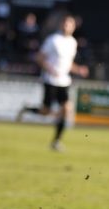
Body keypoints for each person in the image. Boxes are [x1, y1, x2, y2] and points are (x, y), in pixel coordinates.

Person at [16, 13, 89, 151]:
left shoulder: (73, 42)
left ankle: (56, 142)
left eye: (70, 24)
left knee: (67, 109)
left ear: (74, 27)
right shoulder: (53, 40)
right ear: (61, 25)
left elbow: (68, 64)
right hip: (50, 80)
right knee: (46, 111)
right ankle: (27, 109)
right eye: (65, 23)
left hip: (64, 81)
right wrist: (50, 69)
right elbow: (39, 58)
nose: (67, 26)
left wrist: (78, 69)